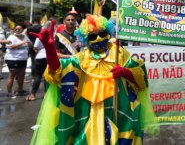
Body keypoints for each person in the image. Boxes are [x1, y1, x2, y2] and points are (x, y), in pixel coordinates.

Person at [29, 14, 156, 144]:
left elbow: (140, 76)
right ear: (86, 39)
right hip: (90, 113)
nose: (99, 38)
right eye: (93, 36)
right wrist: (50, 49)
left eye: (102, 33)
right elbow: (58, 73)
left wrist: (125, 72)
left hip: (120, 110)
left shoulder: (119, 53)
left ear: (109, 33)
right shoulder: (82, 57)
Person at [4, 23, 32, 98]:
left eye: (19, 29)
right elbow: (10, 47)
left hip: (23, 58)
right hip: (12, 59)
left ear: (23, 30)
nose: (17, 30)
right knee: (12, 75)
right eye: (16, 29)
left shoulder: (25, 36)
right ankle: (9, 92)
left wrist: (29, 44)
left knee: (22, 75)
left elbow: (29, 45)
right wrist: (22, 43)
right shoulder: (11, 37)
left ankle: (20, 90)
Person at [26, 22, 49, 101]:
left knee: (38, 76)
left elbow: (35, 47)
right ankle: (46, 93)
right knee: (47, 76)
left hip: (39, 57)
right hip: (48, 57)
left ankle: (33, 94)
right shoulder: (51, 36)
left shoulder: (39, 37)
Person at [27, 17, 42, 81]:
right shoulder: (41, 27)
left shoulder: (29, 28)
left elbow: (27, 35)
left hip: (31, 45)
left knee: (33, 61)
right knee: (41, 61)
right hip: (40, 45)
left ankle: (33, 76)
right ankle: (39, 75)